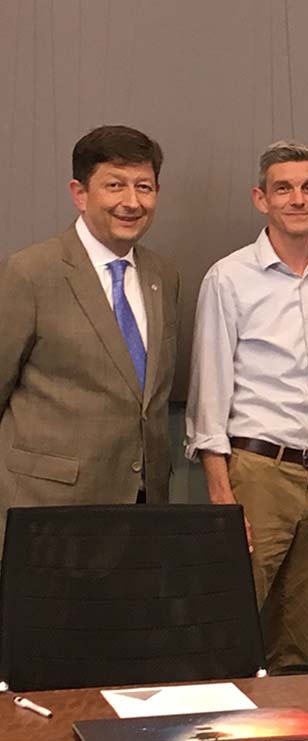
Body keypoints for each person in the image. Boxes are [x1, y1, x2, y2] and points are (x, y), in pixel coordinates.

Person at [185, 141, 308, 670]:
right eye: (283, 188)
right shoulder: (229, 277)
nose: (297, 199)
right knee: (229, 619)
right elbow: (208, 394)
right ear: (260, 198)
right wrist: (223, 497)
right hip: (259, 471)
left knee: (294, 634)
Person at [0, 125, 179, 548]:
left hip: (142, 511)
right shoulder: (29, 273)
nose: (131, 202)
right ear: (80, 193)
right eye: (114, 185)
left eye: (144, 187)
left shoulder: (163, 276)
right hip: (46, 513)